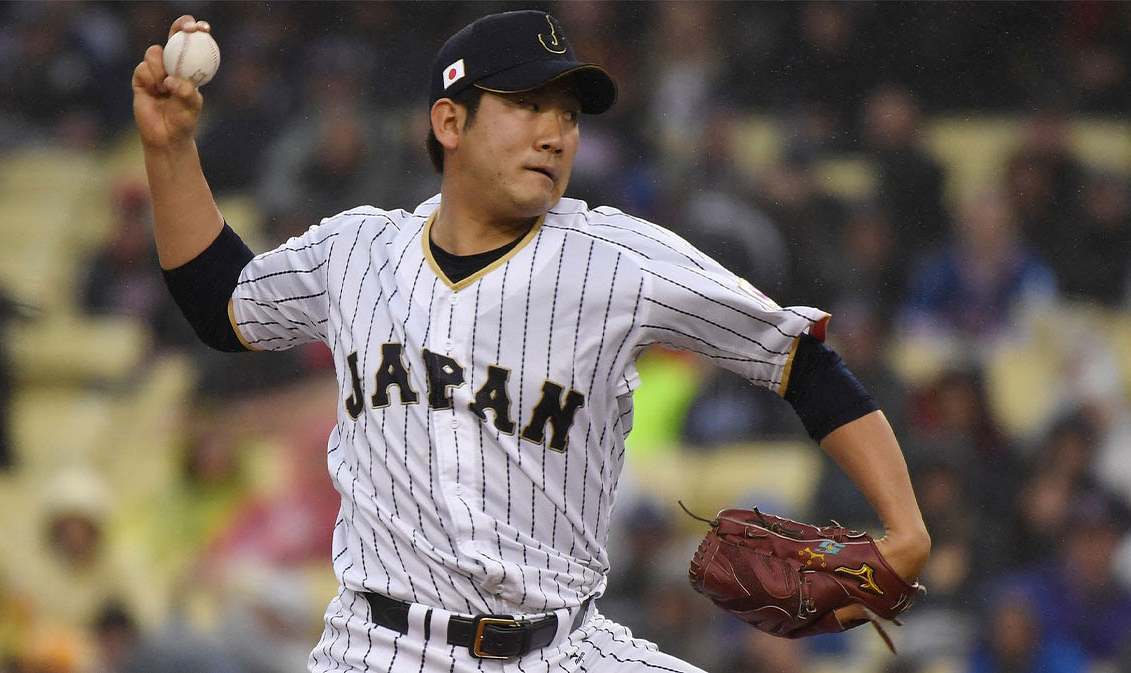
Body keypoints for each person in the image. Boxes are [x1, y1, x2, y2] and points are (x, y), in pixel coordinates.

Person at [132, 10, 930, 671]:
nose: (556, 133)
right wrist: (170, 149)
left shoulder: (619, 260)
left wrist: (904, 528)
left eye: (570, 114)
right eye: (528, 104)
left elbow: (801, 360)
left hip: (567, 646)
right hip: (378, 648)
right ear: (450, 119)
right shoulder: (356, 252)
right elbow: (223, 303)